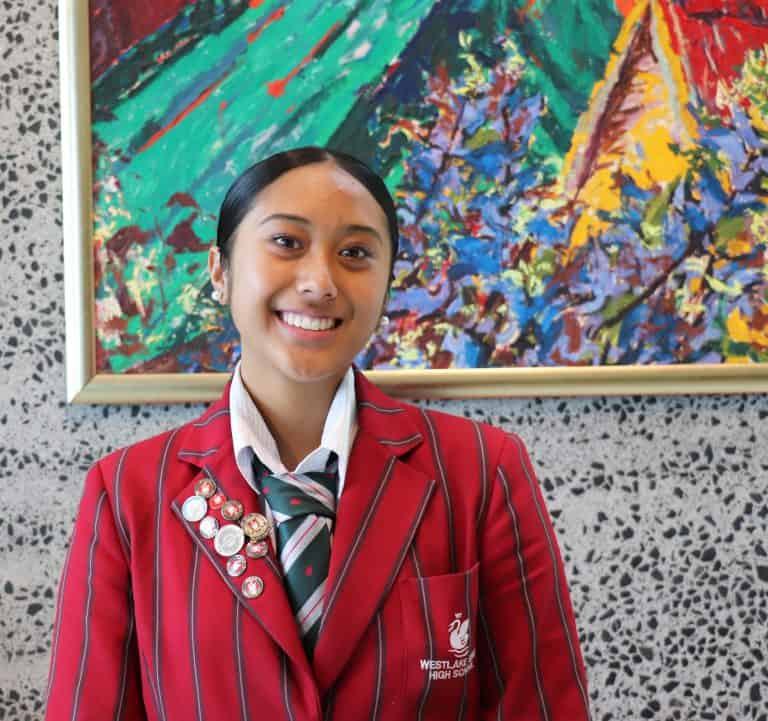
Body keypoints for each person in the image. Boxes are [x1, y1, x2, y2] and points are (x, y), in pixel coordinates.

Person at [45, 147, 591, 720]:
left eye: (355, 253)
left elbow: (543, 706)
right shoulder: (128, 493)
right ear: (220, 272)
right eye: (287, 242)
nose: (320, 282)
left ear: (386, 286)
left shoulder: (480, 470)